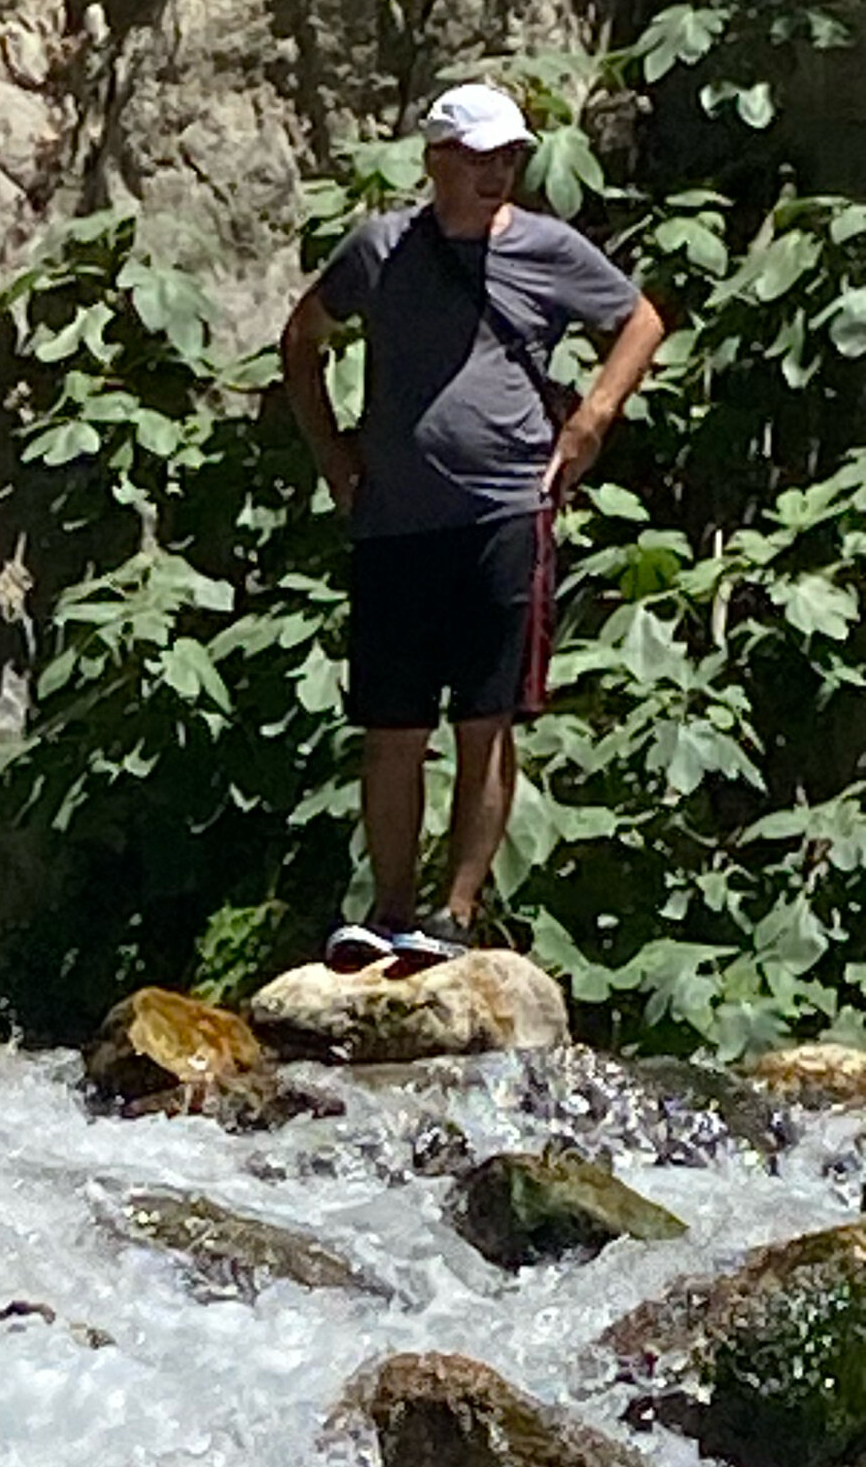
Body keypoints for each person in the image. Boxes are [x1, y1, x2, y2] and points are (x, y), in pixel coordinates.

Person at [280, 79, 667, 969]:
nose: (498, 174)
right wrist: (333, 456)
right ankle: (388, 911)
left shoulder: (548, 249)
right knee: (392, 727)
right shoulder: (382, 249)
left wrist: (591, 419)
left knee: (485, 720)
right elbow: (302, 339)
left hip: (505, 513)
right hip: (394, 521)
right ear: (437, 161)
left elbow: (639, 321)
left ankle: (454, 914)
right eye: (480, 158)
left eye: (510, 158)